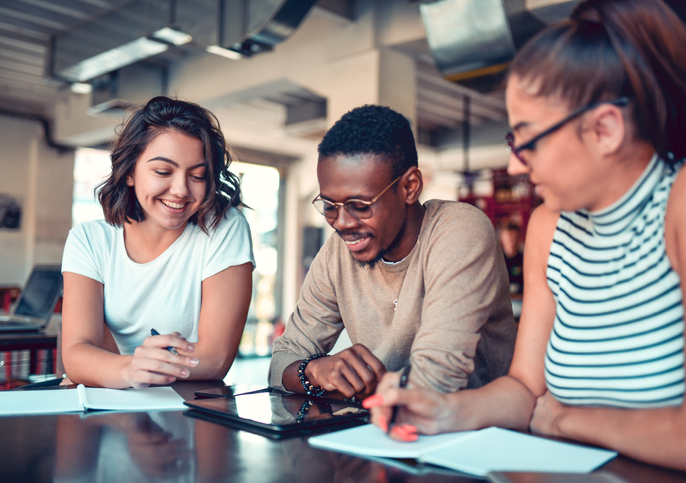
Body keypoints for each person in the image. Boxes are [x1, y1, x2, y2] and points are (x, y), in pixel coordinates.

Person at [364, 0, 686, 470]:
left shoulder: (677, 205)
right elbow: (525, 390)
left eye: (527, 139)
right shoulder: (549, 228)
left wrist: (569, 421)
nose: (515, 164)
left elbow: (552, 414)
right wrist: (443, 410)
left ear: (605, 129)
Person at [268, 105, 516, 410]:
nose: (341, 222)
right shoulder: (337, 253)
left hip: (472, 436)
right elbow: (281, 362)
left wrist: (359, 388)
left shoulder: (459, 230)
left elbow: (436, 378)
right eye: (330, 204)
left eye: (360, 204)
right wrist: (315, 371)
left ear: (409, 187)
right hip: (383, 428)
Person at [61, 96, 255, 389]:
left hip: (185, 405)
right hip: (110, 400)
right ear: (128, 172)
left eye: (198, 175)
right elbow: (76, 355)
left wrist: (106, 367)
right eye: (163, 172)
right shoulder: (88, 240)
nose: (181, 190)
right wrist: (130, 370)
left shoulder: (224, 228)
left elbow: (215, 358)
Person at [498, 223, 524, 295]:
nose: (512, 241)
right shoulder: (497, 261)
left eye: (515, 237)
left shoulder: (524, 260)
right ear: (502, 238)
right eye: (509, 237)